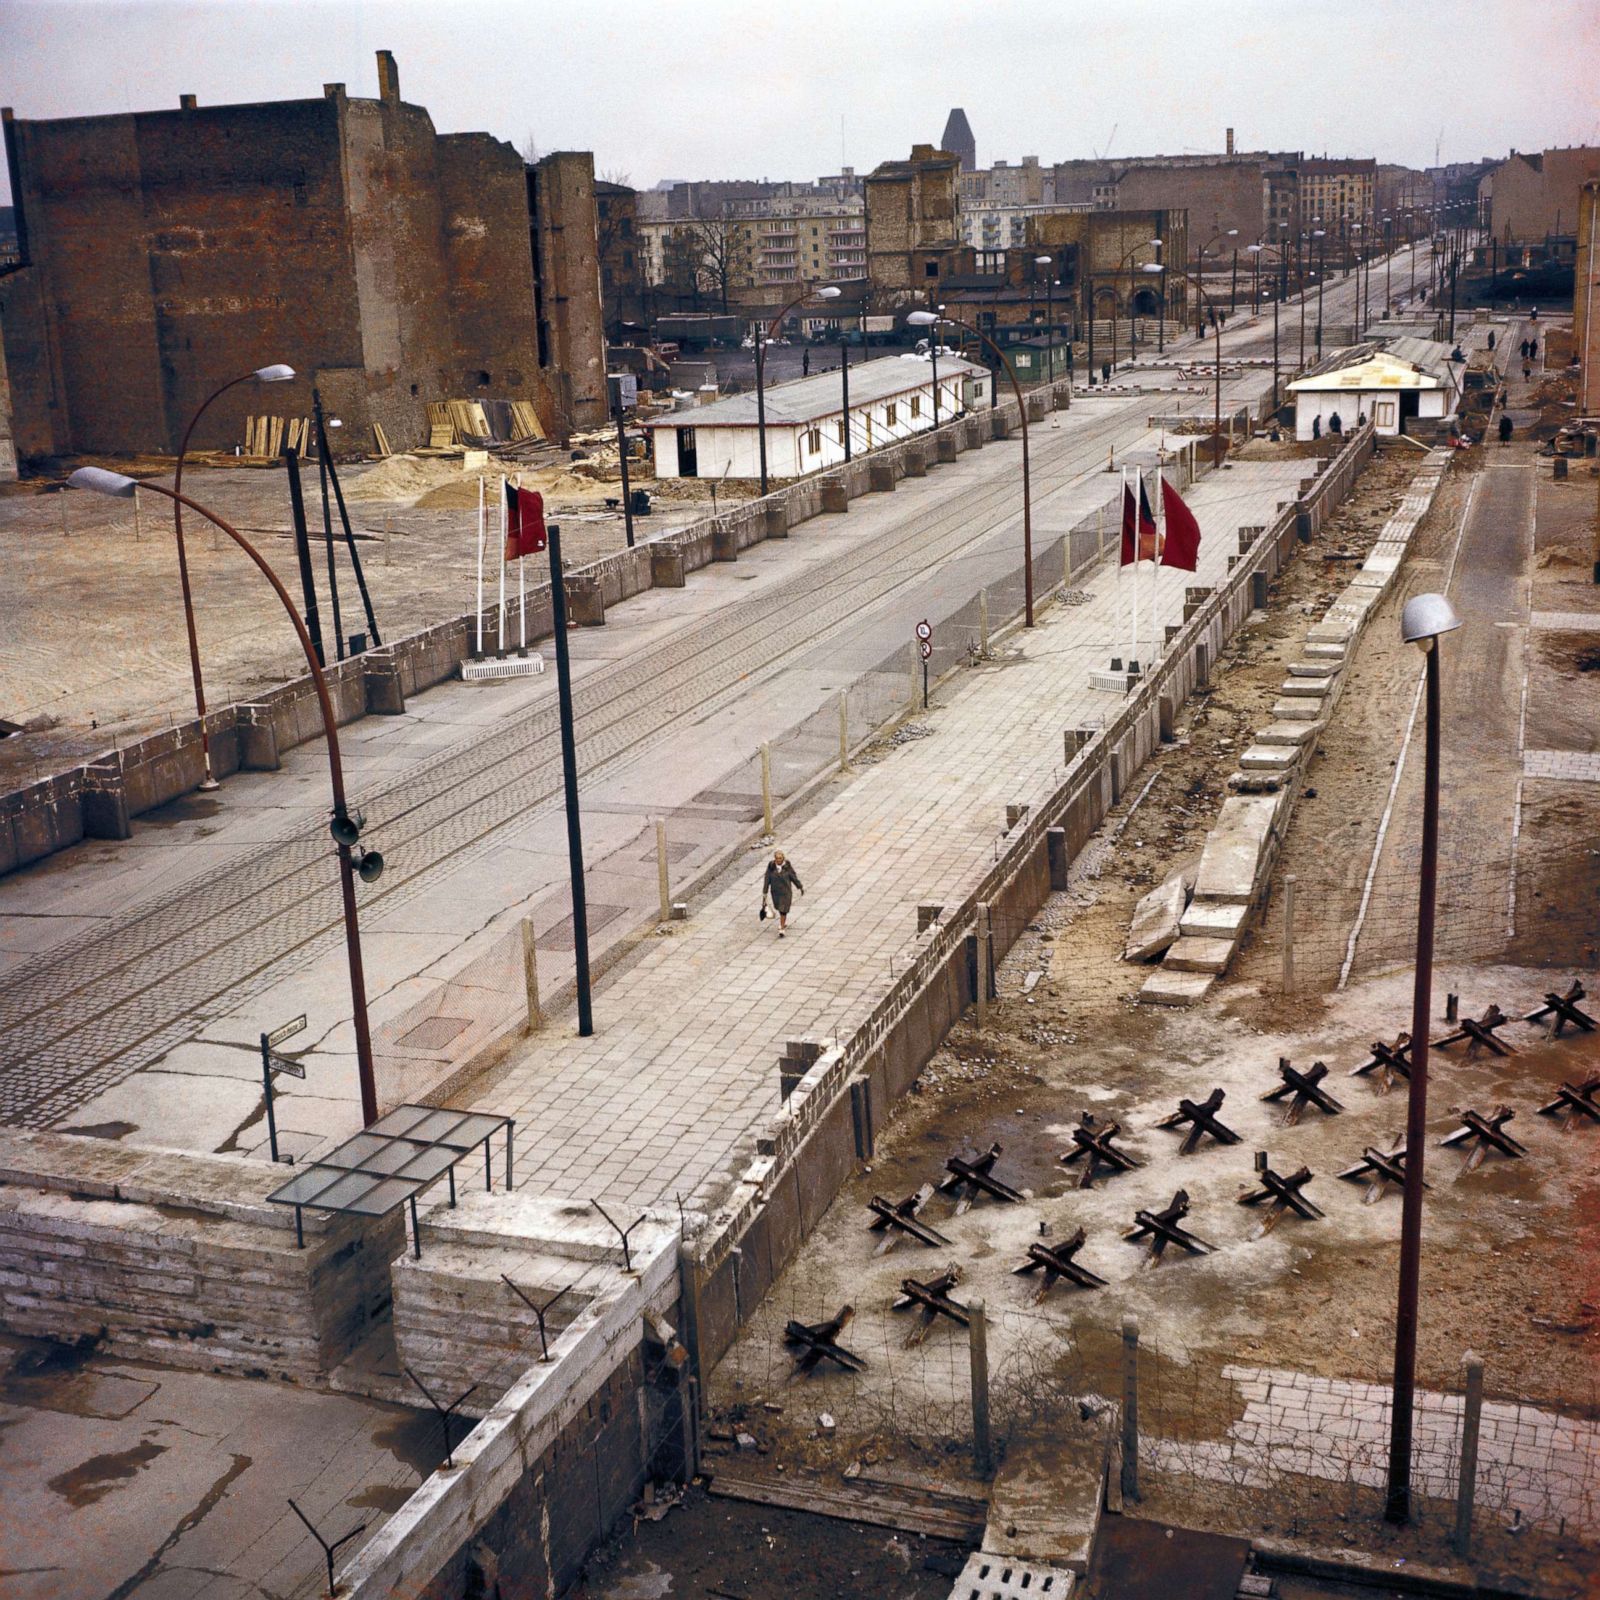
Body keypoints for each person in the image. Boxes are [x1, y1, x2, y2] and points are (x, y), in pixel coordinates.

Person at [761, 850, 804, 938]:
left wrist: (800, 886)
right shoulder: (771, 867)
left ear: (783, 858)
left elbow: (793, 877)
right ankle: (783, 922)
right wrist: (765, 892)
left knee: (783, 909)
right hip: (776, 892)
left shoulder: (787, 867)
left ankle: (781, 928)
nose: (778, 860)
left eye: (780, 858)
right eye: (777, 858)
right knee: (779, 908)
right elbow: (767, 879)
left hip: (786, 892)